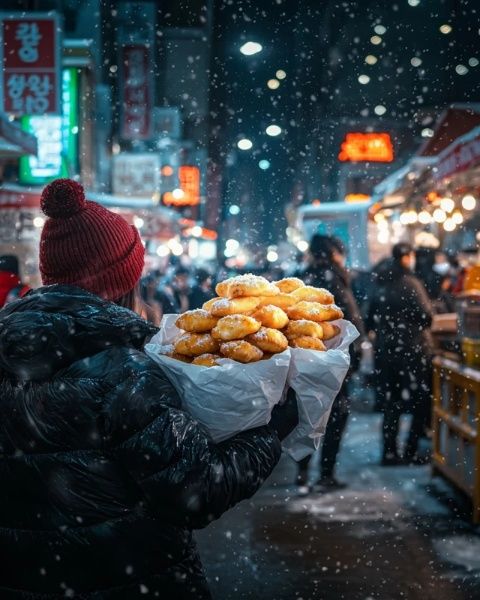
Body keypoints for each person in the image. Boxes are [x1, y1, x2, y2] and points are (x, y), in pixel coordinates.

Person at [0, 178, 297, 599]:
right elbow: (195, 491)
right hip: (128, 580)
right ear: (124, 279)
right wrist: (270, 431)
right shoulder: (125, 373)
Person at [296, 234, 365, 490]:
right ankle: (326, 474)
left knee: (308, 417)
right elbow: (350, 320)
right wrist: (354, 357)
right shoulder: (333, 279)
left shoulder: (305, 278)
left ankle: (302, 471)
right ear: (333, 253)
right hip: (334, 360)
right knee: (336, 417)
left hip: (307, 360)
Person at [367, 242, 434, 465]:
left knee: (392, 403)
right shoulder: (411, 283)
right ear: (406, 257)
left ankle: (389, 452)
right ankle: (411, 451)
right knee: (419, 402)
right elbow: (427, 316)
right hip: (411, 351)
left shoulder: (380, 283)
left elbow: (370, 320)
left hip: (386, 352)